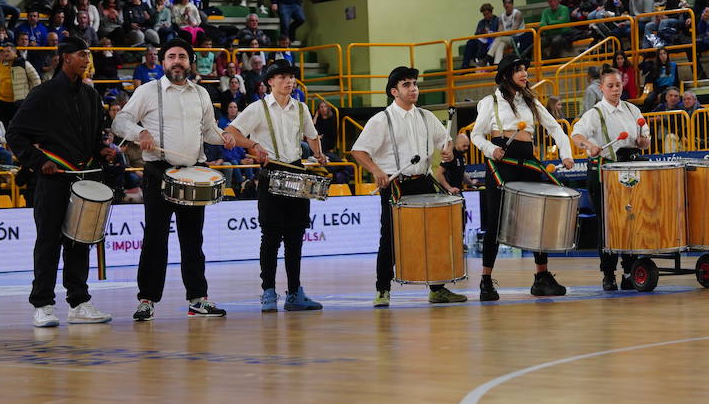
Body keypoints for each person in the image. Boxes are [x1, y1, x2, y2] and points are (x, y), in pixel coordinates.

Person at [112, 36, 233, 321]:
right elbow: (120, 121)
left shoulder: (201, 94)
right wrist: (139, 132)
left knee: (193, 240)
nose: (176, 61)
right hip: (158, 173)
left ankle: (198, 299)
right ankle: (147, 300)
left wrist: (224, 137)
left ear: (190, 62)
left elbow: (209, 131)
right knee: (155, 238)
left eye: (181, 56)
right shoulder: (147, 91)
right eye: (171, 57)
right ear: (162, 62)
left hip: (192, 173)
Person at [8, 36, 119, 327]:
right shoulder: (42, 94)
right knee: (48, 242)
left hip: (84, 181)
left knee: (79, 242)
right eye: (82, 55)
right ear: (65, 57)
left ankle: (79, 302)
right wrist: (37, 162)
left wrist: (102, 151)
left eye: (88, 55)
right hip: (53, 180)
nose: (87, 60)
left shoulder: (92, 96)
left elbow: (94, 140)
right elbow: (15, 135)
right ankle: (42, 304)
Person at [351, 66, 466, 307]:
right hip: (396, 184)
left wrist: (447, 151)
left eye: (414, 83)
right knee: (390, 238)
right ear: (394, 91)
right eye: (406, 84)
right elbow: (358, 151)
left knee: (433, 236)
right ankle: (382, 289)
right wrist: (376, 170)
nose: (413, 88)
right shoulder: (381, 120)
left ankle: (437, 288)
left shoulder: (426, 116)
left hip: (423, 180)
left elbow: (445, 141)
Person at [223, 60, 328, 311]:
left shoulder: (301, 108)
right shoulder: (257, 108)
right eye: (283, 77)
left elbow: (312, 136)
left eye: (291, 77)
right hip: (271, 172)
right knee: (270, 237)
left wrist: (319, 154)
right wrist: (253, 146)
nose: (289, 81)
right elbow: (232, 132)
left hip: (297, 170)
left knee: (295, 237)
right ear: (269, 81)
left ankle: (294, 292)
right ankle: (268, 291)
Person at [470, 55, 575, 301]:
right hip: (501, 163)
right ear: (506, 75)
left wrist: (566, 154)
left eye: (525, 70)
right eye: (519, 70)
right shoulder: (490, 102)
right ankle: (486, 280)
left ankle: (541, 277)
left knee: (539, 219)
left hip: (527, 162)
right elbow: (476, 135)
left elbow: (556, 128)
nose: (524, 73)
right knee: (495, 222)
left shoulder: (531, 102)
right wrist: (490, 149)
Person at [571, 64, 652, 292]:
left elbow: (645, 137)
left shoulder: (631, 110)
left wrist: (643, 142)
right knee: (608, 224)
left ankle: (629, 271)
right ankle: (608, 273)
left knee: (631, 221)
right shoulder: (595, 113)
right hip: (603, 172)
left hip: (629, 169)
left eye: (618, 85)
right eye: (610, 86)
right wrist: (589, 145)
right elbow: (576, 135)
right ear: (601, 87)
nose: (615, 89)